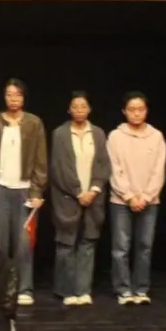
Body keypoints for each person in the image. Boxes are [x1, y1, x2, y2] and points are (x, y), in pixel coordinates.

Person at [0, 78, 48, 306]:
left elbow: (40, 160)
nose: (13, 99)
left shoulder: (34, 123)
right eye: (9, 94)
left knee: (23, 243)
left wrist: (37, 190)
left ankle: (24, 288)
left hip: (24, 189)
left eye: (17, 95)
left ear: (24, 97)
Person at [49, 91, 110, 306]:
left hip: (93, 197)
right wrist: (77, 191)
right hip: (68, 197)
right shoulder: (60, 134)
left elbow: (103, 164)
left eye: (83, 106)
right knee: (66, 244)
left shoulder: (98, 133)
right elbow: (59, 168)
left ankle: (83, 289)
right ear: (69, 109)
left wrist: (93, 190)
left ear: (89, 109)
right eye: (75, 106)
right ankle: (66, 290)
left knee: (88, 243)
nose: (79, 110)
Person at [107, 91, 166, 305]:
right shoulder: (115, 136)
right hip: (121, 201)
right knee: (121, 247)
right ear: (124, 111)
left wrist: (147, 196)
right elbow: (114, 169)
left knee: (144, 246)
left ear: (146, 111)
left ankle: (141, 289)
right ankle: (123, 290)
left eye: (140, 109)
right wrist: (129, 196)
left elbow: (158, 170)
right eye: (132, 109)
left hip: (149, 201)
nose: (136, 113)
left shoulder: (156, 136)